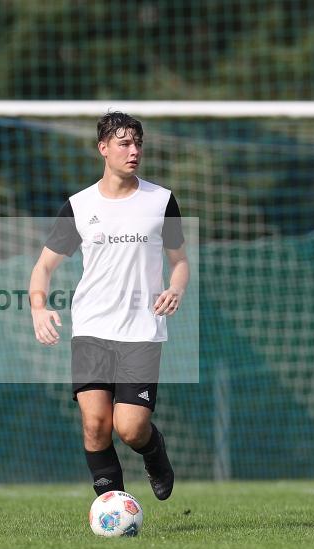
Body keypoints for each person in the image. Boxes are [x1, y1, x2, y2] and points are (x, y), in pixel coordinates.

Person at [28, 111, 189, 500]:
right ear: (103, 148)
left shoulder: (161, 200)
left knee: (130, 428)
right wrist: (38, 307)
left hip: (142, 330)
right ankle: (112, 508)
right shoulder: (80, 205)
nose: (134, 151)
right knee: (95, 425)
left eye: (138, 144)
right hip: (92, 330)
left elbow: (180, 262)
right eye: (124, 143)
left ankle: (154, 450)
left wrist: (176, 288)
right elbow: (43, 267)